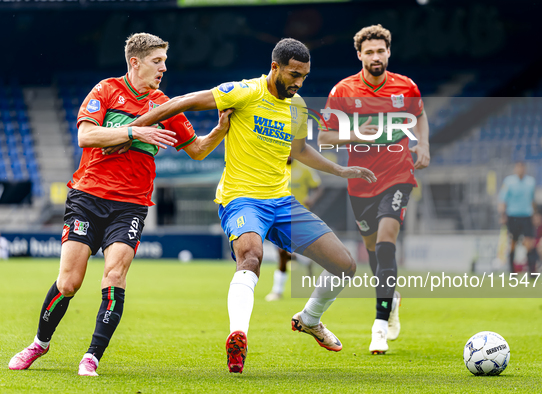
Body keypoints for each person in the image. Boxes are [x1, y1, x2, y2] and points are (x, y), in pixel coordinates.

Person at [125, 38, 376, 374]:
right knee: (251, 256)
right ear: (275, 68)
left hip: (282, 202)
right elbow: (184, 101)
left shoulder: (297, 105)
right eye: (293, 74)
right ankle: (238, 337)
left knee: (345, 265)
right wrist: (135, 127)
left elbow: (300, 151)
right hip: (242, 199)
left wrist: (341, 170)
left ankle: (309, 319)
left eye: (304, 76)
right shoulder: (244, 92)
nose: (299, 82)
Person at [8, 33, 232, 377]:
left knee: (114, 276)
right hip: (87, 197)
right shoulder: (106, 91)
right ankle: (40, 343)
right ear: (135, 62)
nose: (164, 68)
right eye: (157, 61)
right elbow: (86, 135)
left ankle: (92, 356)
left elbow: (198, 149)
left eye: (165, 61)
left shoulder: (164, 104)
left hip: (131, 205)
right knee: (69, 282)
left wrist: (220, 129)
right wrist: (134, 132)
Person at [317, 24, 430, 355]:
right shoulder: (343, 91)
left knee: (385, 243)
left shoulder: (406, 87)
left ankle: (378, 327)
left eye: (381, 51)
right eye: (369, 52)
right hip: (361, 180)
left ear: (389, 52)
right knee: (372, 250)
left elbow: (420, 116)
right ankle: (390, 298)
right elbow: (324, 138)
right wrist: (356, 134)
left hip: (398, 174)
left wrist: (422, 144)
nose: (375, 56)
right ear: (359, 55)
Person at [265, 156, 324, 302]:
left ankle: (277, 291)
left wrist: (311, 200)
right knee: (282, 252)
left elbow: (318, 188)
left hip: (299, 215)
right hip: (278, 215)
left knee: (282, 252)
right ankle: (304, 261)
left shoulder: (304, 169)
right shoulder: (274, 167)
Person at [498, 162, 537, 274]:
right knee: (512, 244)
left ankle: (532, 271)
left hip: (526, 216)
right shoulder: (509, 182)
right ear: (515, 169)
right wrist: (502, 215)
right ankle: (512, 272)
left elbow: (533, 200)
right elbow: (502, 199)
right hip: (513, 216)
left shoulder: (530, 182)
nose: (520, 170)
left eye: (522, 168)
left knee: (529, 244)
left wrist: (534, 215)